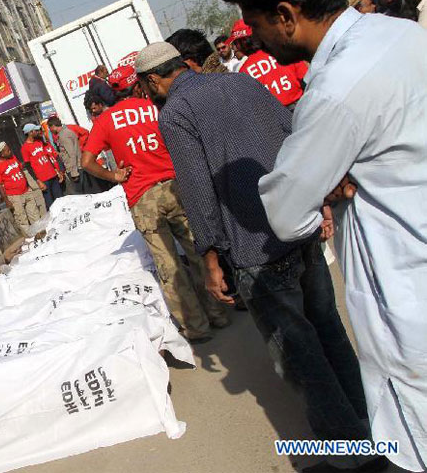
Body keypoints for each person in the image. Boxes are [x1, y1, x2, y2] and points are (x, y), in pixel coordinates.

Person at [220, 0, 427, 472]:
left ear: (286, 15)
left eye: (256, 22)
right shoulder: (398, 34)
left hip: (408, 285)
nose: (256, 37)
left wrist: (325, 183)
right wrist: (336, 174)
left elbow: (286, 212)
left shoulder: (335, 90)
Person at [138, 40, 373, 472]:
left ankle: (352, 456)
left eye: (146, 87)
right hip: (296, 226)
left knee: (298, 352)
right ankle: (368, 422)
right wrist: (319, 197)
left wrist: (209, 256)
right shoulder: (241, 82)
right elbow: (293, 134)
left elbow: (196, 188)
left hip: (253, 245)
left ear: (154, 79)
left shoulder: (175, 114)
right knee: (327, 327)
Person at [79, 69, 228, 342]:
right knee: (199, 251)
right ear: (137, 85)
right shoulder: (155, 108)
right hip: (175, 187)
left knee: (168, 265)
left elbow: (86, 162)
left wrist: (114, 176)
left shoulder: (106, 121)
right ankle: (217, 312)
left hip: (141, 196)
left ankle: (196, 326)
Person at [227, 19, 308, 109]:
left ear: (241, 43)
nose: (234, 48)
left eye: (235, 43)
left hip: (276, 118)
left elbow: (252, 106)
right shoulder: (282, 52)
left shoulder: (244, 73)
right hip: (303, 107)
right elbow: (306, 79)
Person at [0, 142, 41, 234]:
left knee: (34, 214)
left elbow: (21, 171)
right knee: (22, 219)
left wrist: (28, 185)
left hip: (26, 191)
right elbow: (0, 185)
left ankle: (41, 233)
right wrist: (6, 201)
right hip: (15, 197)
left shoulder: (13, 158)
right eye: (8, 150)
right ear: (2, 154)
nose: (10, 151)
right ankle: (31, 237)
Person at [21, 123, 63, 209]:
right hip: (43, 179)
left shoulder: (39, 142)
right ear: (30, 132)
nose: (38, 132)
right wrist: (38, 181)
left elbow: (48, 157)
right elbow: (28, 167)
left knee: (61, 200)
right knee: (51, 204)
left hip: (53, 175)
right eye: (35, 131)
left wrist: (56, 170)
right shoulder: (25, 148)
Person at [46, 117, 84, 195]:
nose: (50, 131)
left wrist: (74, 173)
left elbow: (72, 154)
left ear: (53, 126)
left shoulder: (63, 136)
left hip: (74, 169)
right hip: (77, 167)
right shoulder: (67, 132)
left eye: (50, 128)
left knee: (81, 194)